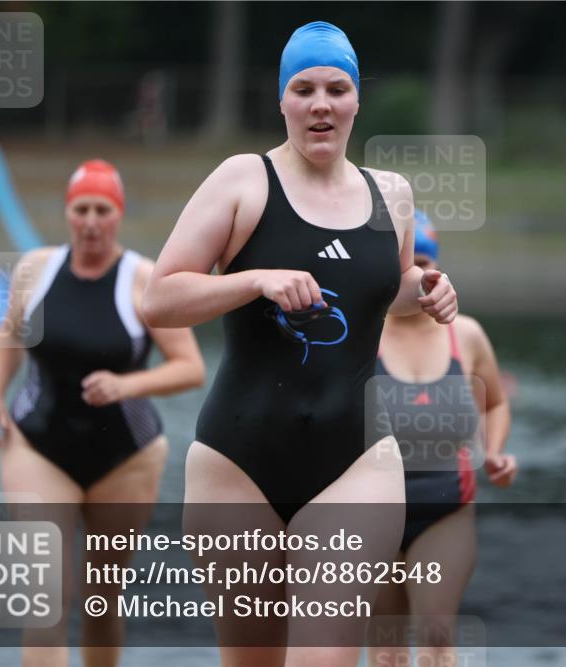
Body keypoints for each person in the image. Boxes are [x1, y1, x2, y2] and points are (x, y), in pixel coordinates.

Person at [142, 21, 458, 667]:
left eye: (337, 89)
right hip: (237, 461)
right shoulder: (241, 181)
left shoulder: (390, 195)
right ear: (282, 100)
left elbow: (384, 286)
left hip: (355, 461)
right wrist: (254, 278)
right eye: (304, 88)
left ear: (356, 101)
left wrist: (426, 288)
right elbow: (158, 296)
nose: (321, 103)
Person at [0, 159, 205, 667]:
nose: (92, 221)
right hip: (37, 445)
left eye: (103, 210)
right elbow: (12, 332)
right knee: (44, 601)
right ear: (68, 213)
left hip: (127, 456)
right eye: (82, 209)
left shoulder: (144, 279)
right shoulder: (35, 269)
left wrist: (128, 383)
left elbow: (190, 368)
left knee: (100, 604)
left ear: (118, 215)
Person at [367, 211, 516, 666]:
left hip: (446, 504)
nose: (416, 277)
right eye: (403, 266)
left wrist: (494, 451)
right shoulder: (359, 333)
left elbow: (495, 402)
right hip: (371, 510)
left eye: (425, 263)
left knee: (435, 634)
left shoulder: (465, 335)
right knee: (388, 649)